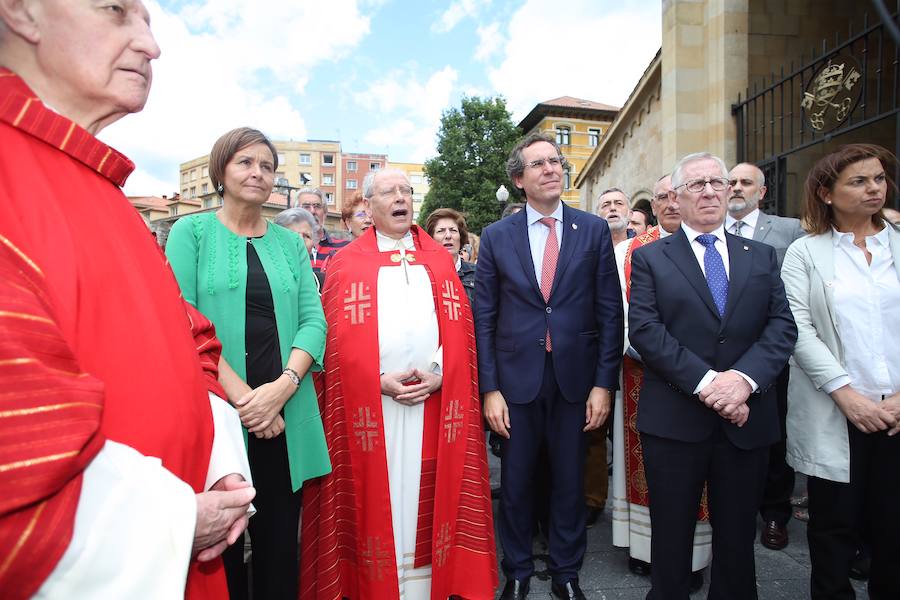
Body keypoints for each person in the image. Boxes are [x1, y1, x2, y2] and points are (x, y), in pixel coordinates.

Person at [0, 2, 254, 598]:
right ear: (23, 13)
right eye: (117, 11)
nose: (150, 44)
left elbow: (190, 339)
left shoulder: (101, 187)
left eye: (149, 21)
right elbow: (18, 453)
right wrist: (171, 519)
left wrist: (219, 462)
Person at [300, 168, 497, 600]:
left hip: (433, 404)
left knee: (428, 494)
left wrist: (441, 372)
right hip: (372, 408)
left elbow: (461, 331)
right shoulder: (346, 264)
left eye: (406, 190)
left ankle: (429, 587)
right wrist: (374, 380)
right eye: (389, 191)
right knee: (380, 499)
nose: (401, 197)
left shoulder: (439, 261)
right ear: (368, 206)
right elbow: (332, 346)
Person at [166, 127, 331, 600]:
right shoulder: (190, 232)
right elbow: (183, 322)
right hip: (218, 414)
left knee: (281, 548)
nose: (257, 173)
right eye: (245, 162)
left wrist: (282, 387)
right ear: (221, 171)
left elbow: (312, 322)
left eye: (266, 165)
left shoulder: (289, 244)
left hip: (286, 415)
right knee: (221, 551)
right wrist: (247, 402)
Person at [628, 152, 796, 600]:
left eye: (716, 183)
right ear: (677, 199)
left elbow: (781, 326)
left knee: (739, 538)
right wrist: (709, 384)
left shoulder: (760, 256)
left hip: (746, 420)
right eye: (695, 185)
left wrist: (742, 381)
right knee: (671, 537)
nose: (708, 191)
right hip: (675, 422)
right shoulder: (651, 259)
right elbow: (645, 330)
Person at [476, 132, 623, 600]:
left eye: (555, 161)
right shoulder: (498, 236)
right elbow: (485, 318)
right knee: (515, 482)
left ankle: (566, 572)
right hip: (515, 383)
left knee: (569, 481)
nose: (551, 169)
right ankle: (517, 569)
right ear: (519, 180)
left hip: (574, 381)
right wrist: (489, 389)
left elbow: (609, 313)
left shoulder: (592, 230)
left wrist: (604, 385)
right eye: (538, 164)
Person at [781, 143, 900, 600]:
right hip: (837, 411)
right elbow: (797, 328)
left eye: (878, 179)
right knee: (833, 529)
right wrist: (846, 393)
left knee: (893, 526)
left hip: (895, 412)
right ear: (826, 193)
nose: (874, 188)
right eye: (859, 181)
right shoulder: (806, 253)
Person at [611, 174, 712, 589]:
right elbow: (617, 311)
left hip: (707, 377)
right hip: (642, 371)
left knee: (699, 471)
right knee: (646, 465)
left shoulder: (708, 246)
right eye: (663, 196)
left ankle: (695, 555)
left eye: (678, 195)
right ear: (653, 203)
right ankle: (643, 550)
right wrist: (652, 354)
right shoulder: (627, 251)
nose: (672, 203)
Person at [727, 162, 806, 551]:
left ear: (762, 191)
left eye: (745, 182)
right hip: (722, 356)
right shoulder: (712, 231)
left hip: (771, 355)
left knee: (774, 437)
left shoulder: (790, 230)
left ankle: (775, 513)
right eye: (732, 182)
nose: (736, 188)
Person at [424, 207, 476, 305]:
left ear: (461, 237)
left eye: (453, 230)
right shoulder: (423, 275)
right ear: (431, 238)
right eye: (441, 231)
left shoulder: (477, 274)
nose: (448, 236)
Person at [296, 186, 350, 271]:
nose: (312, 211)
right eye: (306, 206)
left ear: (324, 213)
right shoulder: (288, 248)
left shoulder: (345, 248)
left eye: (317, 206)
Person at [275, 206, 325, 291]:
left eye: (307, 236)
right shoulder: (266, 279)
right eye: (293, 235)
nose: (301, 240)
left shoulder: (323, 283)